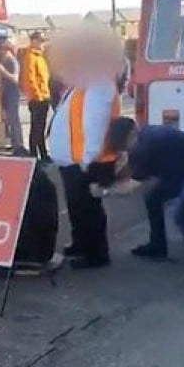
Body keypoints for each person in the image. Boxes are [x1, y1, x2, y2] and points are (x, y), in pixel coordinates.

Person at [99, 118, 184, 287]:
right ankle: (158, 246)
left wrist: (104, 191)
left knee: (181, 215)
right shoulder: (143, 138)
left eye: (124, 146)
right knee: (152, 197)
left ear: (132, 133)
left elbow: (130, 185)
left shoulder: (146, 146)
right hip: (182, 171)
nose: (125, 151)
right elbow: (131, 169)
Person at [47, 26, 123, 269]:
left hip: (89, 160)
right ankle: (81, 243)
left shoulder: (99, 84)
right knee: (77, 207)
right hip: (76, 160)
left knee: (88, 208)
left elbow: (95, 123)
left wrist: (87, 159)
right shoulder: (83, 83)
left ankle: (96, 254)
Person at [20, 31, 51, 161]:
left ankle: (42, 152)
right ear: (33, 41)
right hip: (38, 98)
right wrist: (38, 96)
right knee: (36, 127)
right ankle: (34, 153)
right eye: (40, 41)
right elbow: (30, 79)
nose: (42, 44)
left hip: (44, 96)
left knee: (40, 127)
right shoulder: (31, 57)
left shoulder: (40, 57)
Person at [0, 42, 26, 154]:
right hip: (6, 94)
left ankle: (18, 144)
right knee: (10, 120)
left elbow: (15, 78)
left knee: (14, 120)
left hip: (12, 94)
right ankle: (14, 143)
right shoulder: (4, 61)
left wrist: (3, 71)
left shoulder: (12, 61)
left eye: (1, 49)